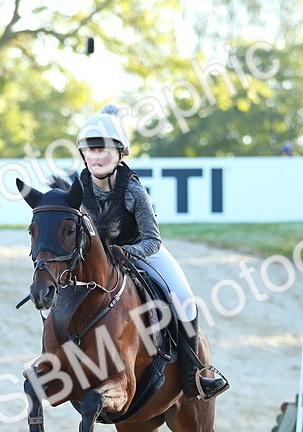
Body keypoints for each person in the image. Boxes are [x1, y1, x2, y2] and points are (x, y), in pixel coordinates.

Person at [74, 103, 229, 401]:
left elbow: (152, 239)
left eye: (105, 149)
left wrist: (125, 253)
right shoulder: (78, 188)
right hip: (98, 266)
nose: (97, 156)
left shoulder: (132, 189)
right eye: (91, 150)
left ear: (121, 154)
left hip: (141, 254)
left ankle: (194, 374)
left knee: (184, 299)